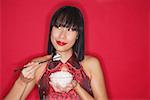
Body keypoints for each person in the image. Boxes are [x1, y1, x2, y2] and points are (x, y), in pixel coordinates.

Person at [5, 6, 108, 100]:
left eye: (70, 29)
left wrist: (77, 87)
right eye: (58, 27)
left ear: (78, 35)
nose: (62, 36)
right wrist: (22, 81)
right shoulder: (39, 65)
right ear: (51, 29)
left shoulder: (91, 64)